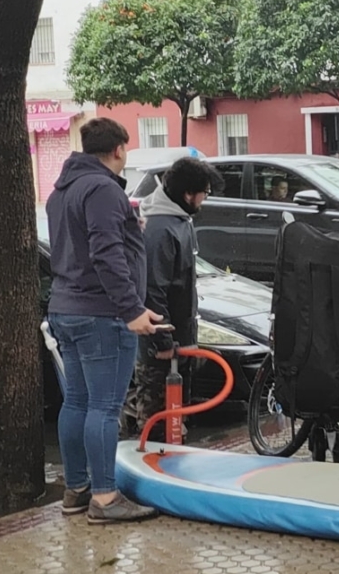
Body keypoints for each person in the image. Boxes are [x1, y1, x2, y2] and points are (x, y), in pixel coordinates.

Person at [46, 117, 162, 525]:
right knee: (104, 407)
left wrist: (131, 230)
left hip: (64, 308)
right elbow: (105, 254)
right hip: (101, 314)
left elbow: (83, 244)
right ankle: (106, 497)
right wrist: (132, 310)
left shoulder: (61, 192)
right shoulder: (103, 189)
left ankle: (76, 490)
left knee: (76, 401)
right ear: (118, 150)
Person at [123, 157, 222, 442]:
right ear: (187, 194)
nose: (205, 198)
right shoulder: (160, 229)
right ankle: (152, 472)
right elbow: (152, 289)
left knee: (178, 419)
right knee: (158, 421)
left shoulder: (181, 221)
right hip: (162, 346)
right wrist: (162, 341)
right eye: (204, 191)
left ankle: (174, 467)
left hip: (181, 340)